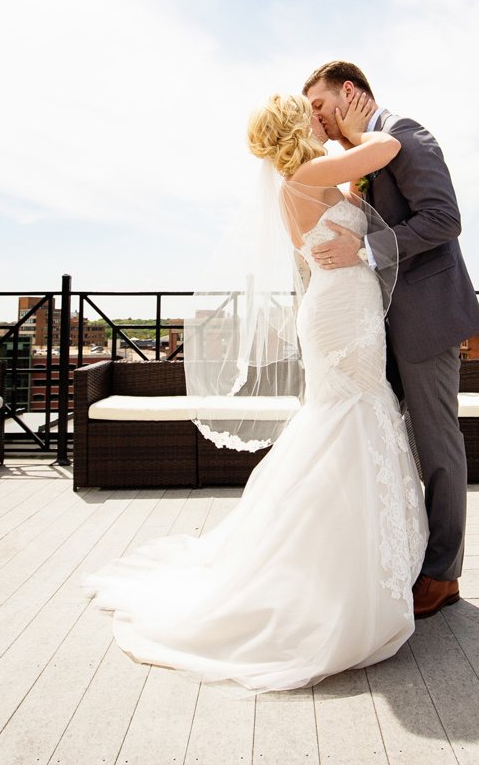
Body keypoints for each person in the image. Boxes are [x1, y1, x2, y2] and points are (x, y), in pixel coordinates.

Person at [85, 92, 428, 692]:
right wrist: (354, 124)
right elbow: (391, 145)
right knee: (345, 422)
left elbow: (351, 209)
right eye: (310, 112)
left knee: (351, 417)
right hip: (341, 315)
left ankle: (354, 563)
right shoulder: (308, 172)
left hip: (343, 310)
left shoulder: (300, 180)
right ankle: (330, 573)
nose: (318, 118)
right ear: (296, 127)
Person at [302, 60, 479, 619]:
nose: (317, 117)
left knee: (436, 445)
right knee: (388, 442)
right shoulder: (364, 151)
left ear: (349, 92)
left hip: (426, 319)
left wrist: (362, 252)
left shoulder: (407, 136)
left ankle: (442, 574)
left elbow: (443, 219)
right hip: (375, 326)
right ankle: (401, 557)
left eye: (318, 104)